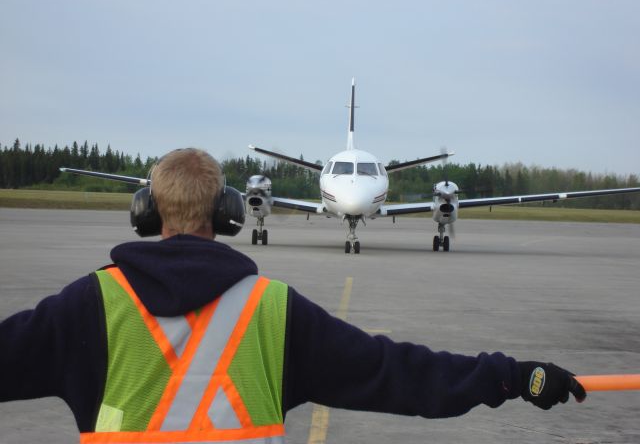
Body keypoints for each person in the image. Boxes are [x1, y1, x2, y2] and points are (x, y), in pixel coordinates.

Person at [0, 148, 586, 443]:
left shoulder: (87, 306)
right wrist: (514, 375)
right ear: (230, 213)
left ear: (146, 212)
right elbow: (402, 375)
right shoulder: (274, 311)